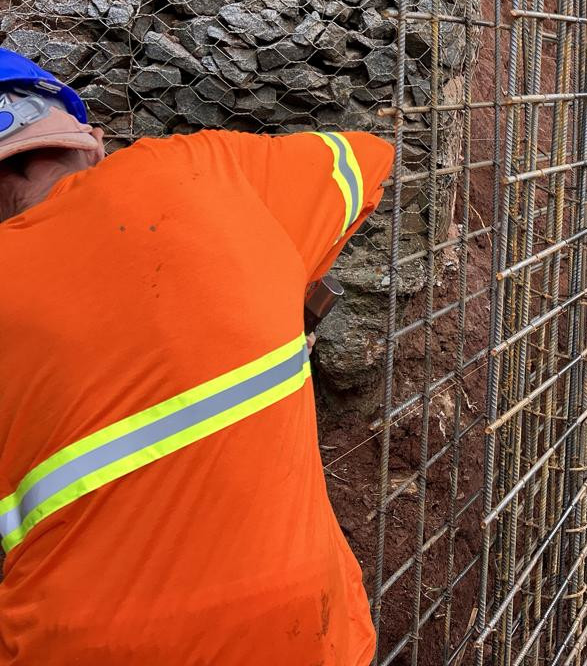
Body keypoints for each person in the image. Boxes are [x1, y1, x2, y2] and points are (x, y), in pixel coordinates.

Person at [0, 48, 392, 665]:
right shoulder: (209, 169)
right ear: (92, 142)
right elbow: (367, 157)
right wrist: (280, 265)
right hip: (306, 631)